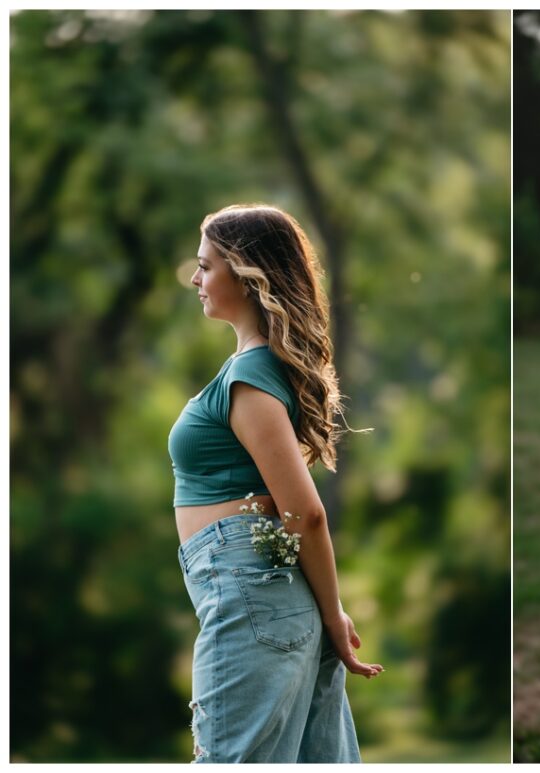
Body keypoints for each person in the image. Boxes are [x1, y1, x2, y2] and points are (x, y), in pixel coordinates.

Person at [168, 203, 382, 763]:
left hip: (251, 590)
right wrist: (325, 609)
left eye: (205, 266)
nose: (195, 279)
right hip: (267, 593)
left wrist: (333, 613)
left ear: (246, 272)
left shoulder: (249, 378)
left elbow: (304, 513)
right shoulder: (254, 368)